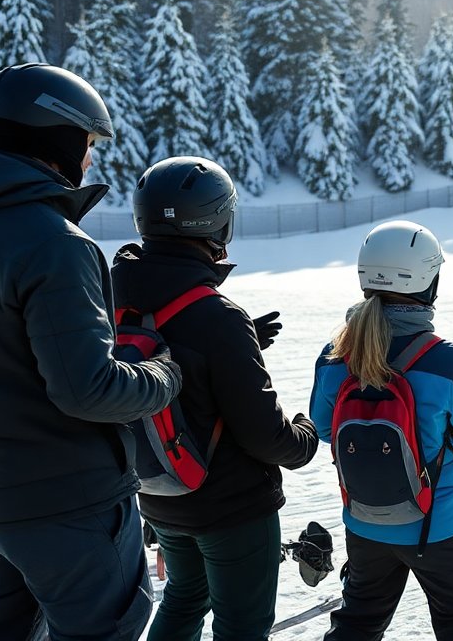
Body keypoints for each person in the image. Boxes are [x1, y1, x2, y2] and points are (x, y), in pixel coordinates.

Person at [0, 63, 183, 640]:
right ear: (58, 137)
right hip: (67, 506)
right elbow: (90, 389)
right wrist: (162, 374)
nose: (89, 159)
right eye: (87, 142)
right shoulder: (57, 244)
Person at [113, 156, 321, 640]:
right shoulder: (217, 316)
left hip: (157, 490)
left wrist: (237, 346)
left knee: (184, 599)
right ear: (219, 223)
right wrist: (306, 437)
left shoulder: (113, 296)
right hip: (230, 506)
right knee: (242, 624)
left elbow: (160, 354)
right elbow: (266, 436)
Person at [310, 220, 453, 641]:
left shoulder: (334, 354)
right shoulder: (447, 362)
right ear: (428, 281)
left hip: (363, 522)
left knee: (357, 625)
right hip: (438, 526)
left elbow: (326, 430)